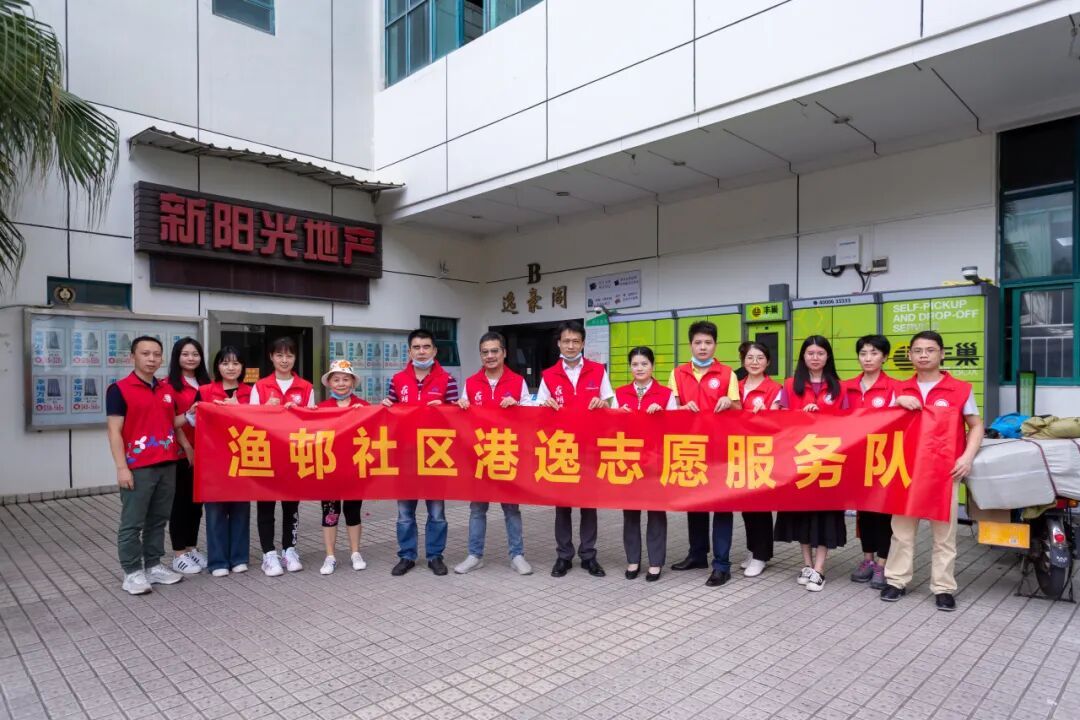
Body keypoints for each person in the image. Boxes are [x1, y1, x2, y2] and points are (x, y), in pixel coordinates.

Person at [881, 331, 984, 612]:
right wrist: (897, 403)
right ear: (910, 355)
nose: (923, 355)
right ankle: (896, 580)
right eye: (917, 350)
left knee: (944, 534)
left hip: (944, 473)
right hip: (905, 472)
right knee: (901, 532)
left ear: (942, 353)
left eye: (930, 350)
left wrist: (967, 457)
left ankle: (943, 587)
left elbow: (976, 425)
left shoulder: (960, 389)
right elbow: (878, 424)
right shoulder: (899, 389)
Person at [106, 336, 190, 595]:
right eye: (145, 354)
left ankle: (153, 565)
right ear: (133, 357)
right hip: (138, 467)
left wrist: (191, 414)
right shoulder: (119, 389)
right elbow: (114, 431)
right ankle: (132, 572)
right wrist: (122, 467)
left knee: (158, 519)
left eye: (156, 354)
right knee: (133, 522)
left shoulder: (166, 389)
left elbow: (170, 423)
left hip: (167, 463)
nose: (152, 359)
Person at [536, 319, 615, 578]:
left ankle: (589, 555)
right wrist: (544, 405)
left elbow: (610, 403)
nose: (571, 346)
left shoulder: (597, 371)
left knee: (588, 504)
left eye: (575, 341)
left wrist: (603, 404)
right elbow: (537, 409)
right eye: (566, 341)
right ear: (558, 344)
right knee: (563, 505)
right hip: (561, 448)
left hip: (589, 448)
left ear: (583, 344)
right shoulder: (549, 374)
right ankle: (564, 556)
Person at [666, 321, 741, 586]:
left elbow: (739, 409)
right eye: (698, 342)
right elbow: (670, 408)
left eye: (708, 342)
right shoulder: (677, 373)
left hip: (721, 451)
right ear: (690, 345)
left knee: (722, 507)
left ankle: (722, 564)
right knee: (695, 504)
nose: (702, 347)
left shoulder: (727, 374)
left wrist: (729, 402)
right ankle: (697, 554)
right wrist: (681, 409)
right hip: (690, 449)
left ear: (715, 345)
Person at [772, 335, 848, 592]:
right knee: (801, 514)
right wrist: (798, 415)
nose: (815, 358)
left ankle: (820, 568)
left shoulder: (839, 387)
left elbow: (850, 423)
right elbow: (779, 419)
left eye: (820, 353)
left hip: (828, 462)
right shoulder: (790, 385)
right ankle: (806, 564)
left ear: (828, 357)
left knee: (825, 515)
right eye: (810, 353)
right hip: (798, 462)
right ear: (803, 356)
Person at [454, 332, 533, 576]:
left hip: (507, 454)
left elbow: (531, 414)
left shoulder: (517, 381)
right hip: (480, 455)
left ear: (504, 353)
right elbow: (462, 416)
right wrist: (461, 406)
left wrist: (518, 406)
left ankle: (517, 555)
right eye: (485, 352)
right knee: (477, 509)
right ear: (481, 355)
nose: (490, 356)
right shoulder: (471, 382)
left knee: (511, 509)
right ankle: (474, 555)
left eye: (494, 351)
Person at [383, 329, 459, 576]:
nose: (422, 351)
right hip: (405, 456)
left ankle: (435, 556)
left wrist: (446, 409)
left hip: (436, 456)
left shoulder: (447, 380)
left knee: (437, 513)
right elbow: (390, 415)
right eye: (416, 347)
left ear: (434, 350)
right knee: (405, 514)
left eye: (426, 347)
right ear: (409, 351)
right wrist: (385, 407)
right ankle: (407, 556)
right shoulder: (397, 379)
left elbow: (457, 418)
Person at [251, 337, 316, 577]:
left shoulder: (306, 387)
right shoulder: (260, 387)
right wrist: (265, 409)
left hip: (294, 456)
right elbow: (250, 421)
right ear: (271, 357)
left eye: (289, 355)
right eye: (279, 355)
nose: (284, 360)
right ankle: (269, 554)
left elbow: (312, 422)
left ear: (295, 358)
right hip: (266, 455)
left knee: (291, 506)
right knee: (265, 506)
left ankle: (290, 550)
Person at [189, 346, 253, 577]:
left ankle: (239, 557)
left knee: (240, 509)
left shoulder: (250, 392)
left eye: (236, 363)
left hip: (242, 457)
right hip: (213, 460)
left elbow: (260, 423)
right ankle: (217, 561)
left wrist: (239, 410)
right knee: (215, 511)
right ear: (217, 366)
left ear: (242, 367)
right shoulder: (205, 391)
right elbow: (195, 422)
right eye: (225, 363)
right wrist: (195, 411)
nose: (231, 368)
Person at [615, 347, 676, 582]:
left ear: (653, 366)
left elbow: (675, 430)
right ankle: (632, 560)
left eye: (644, 364)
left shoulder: (666, 394)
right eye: (635, 364)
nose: (639, 368)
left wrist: (663, 415)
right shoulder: (620, 393)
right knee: (630, 512)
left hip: (655, 461)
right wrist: (617, 415)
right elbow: (610, 429)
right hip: (628, 460)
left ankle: (655, 562)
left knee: (656, 513)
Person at [842, 335, 898, 590]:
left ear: (884, 357)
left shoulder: (896, 388)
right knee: (864, 513)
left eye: (874, 353)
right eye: (863, 353)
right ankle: (867, 559)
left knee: (883, 512)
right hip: (857, 460)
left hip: (886, 460)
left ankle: (883, 564)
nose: (868, 358)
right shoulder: (847, 387)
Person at [316, 360, 369, 575]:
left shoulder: (363, 406)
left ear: (353, 382)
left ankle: (355, 552)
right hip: (329, 469)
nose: (341, 383)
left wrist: (363, 415)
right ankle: (330, 556)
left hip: (354, 468)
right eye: (336, 379)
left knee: (353, 511)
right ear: (329, 383)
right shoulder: (321, 409)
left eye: (346, 379)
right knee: (330, 512)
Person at [167, 337, 211, 575]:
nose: (191, 358)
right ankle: (179, 553)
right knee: (180, 503)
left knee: (196, 504)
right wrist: (186, 446)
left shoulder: (207, 384)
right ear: (177, 357)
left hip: (205, 452)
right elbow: (168, 421)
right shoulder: (168, 386)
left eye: (195, 354)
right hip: (181, 453)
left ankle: (192, 547)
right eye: (185, 354)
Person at [737, 341, 781, 578]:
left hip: (762, 453)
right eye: (750, 358)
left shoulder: (775, 389)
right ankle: (752, 549)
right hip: (738, 451)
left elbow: (779, 422)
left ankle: (761, 555)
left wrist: (767, 414)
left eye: (760, 358)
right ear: (743, 361)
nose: (754, 362)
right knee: (746, 506)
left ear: (768, 362)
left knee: (760, 507)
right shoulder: (735, 386)